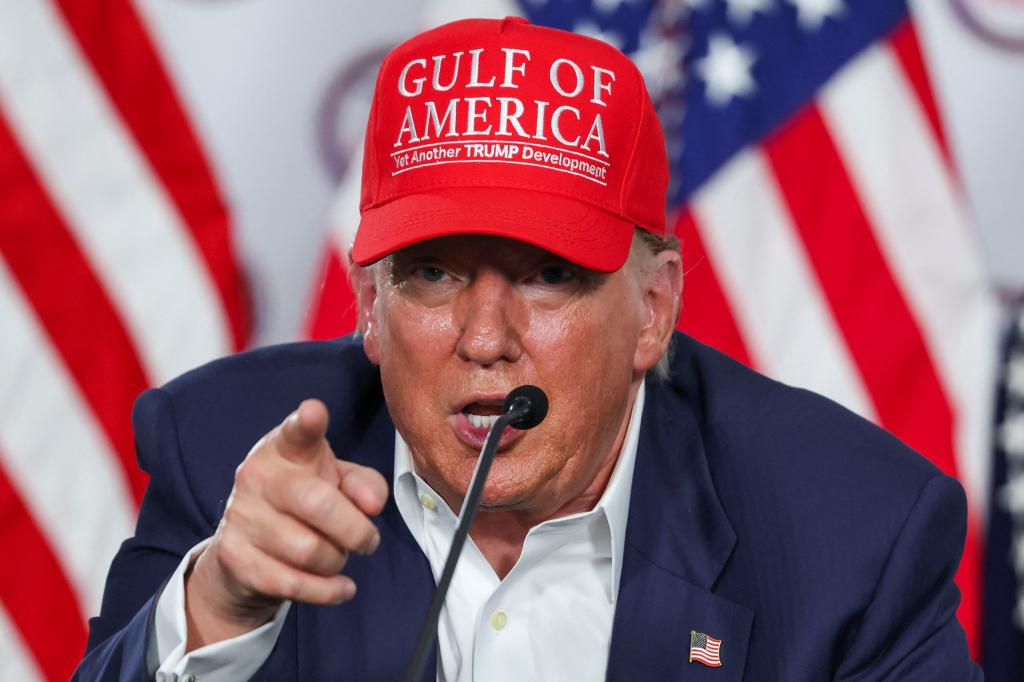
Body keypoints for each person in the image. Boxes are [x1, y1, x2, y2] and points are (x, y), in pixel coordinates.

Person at [75, 16, 980, 681]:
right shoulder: (223, 453)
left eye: (548, 276)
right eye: (433, 274)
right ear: (370, 306)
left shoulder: (849, 535)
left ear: (654, 309)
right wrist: (218, 605)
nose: (485, 339)